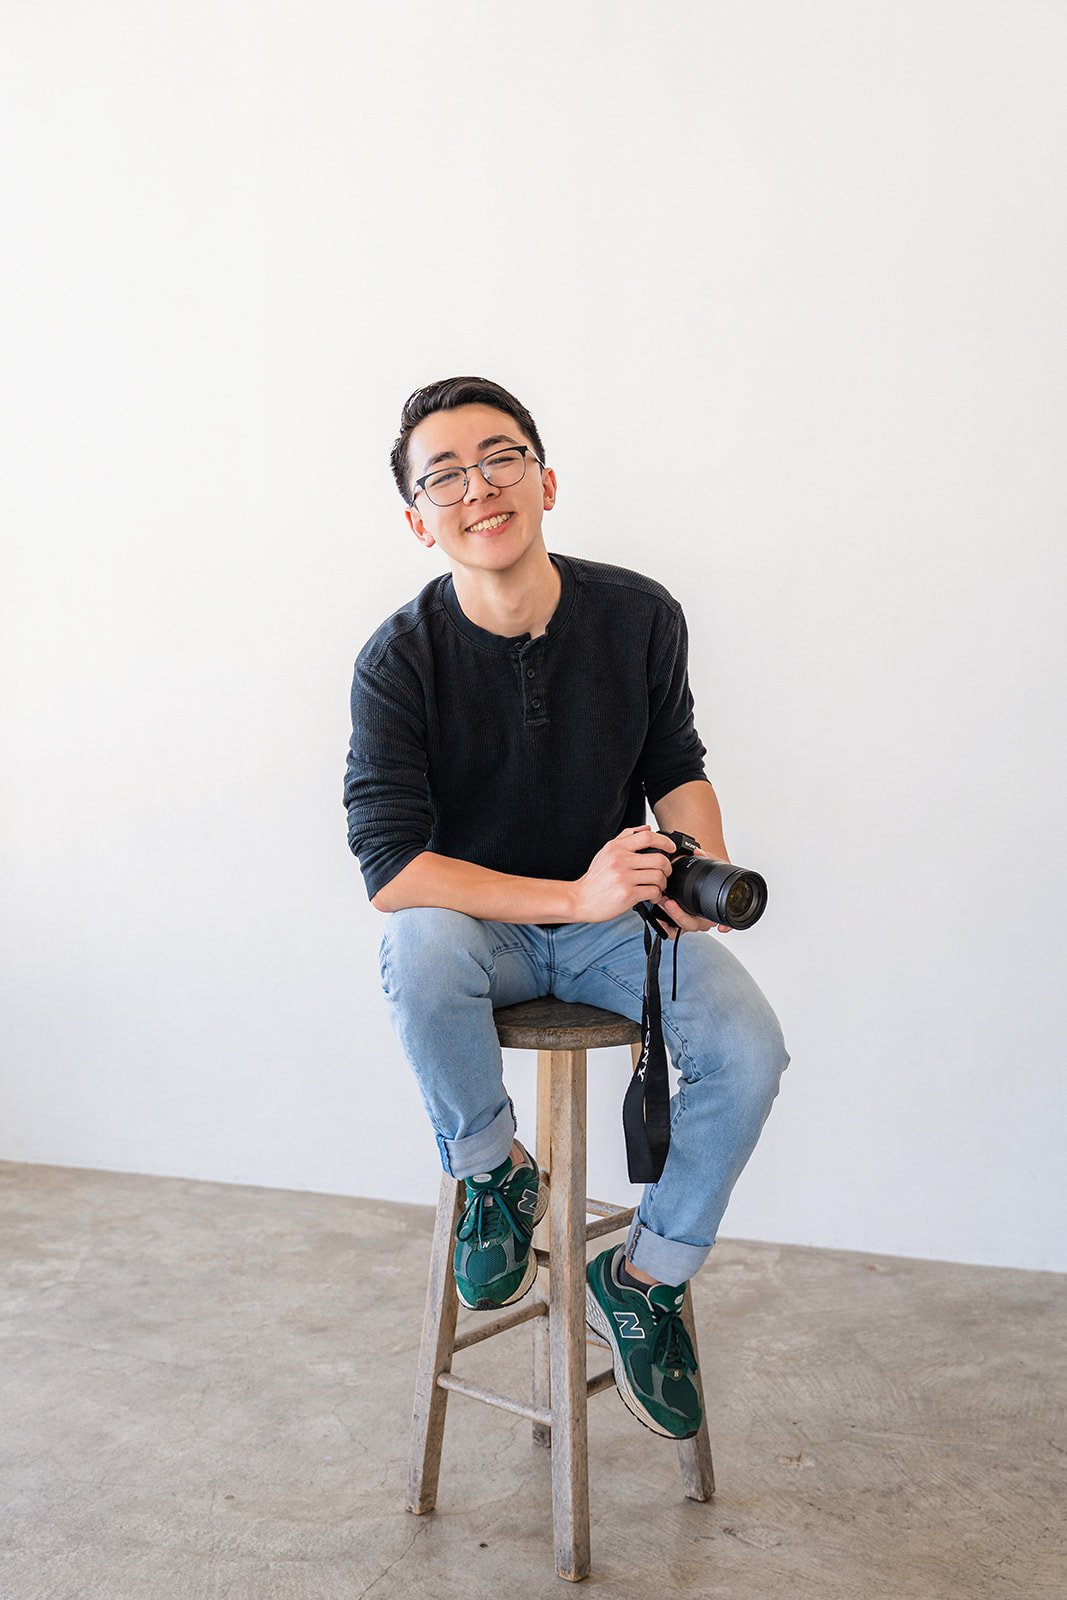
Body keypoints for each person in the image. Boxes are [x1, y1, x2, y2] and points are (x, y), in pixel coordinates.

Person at [343, 376, 789, 1441]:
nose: (477, 488)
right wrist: (574, 894)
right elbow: (392, 869)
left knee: (747, 1048)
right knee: (416, 943)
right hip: (481, 933)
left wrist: (698, 865)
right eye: (444, 476)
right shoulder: (397, 661)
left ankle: (644, 1276)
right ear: (418, 520)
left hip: (617, 931)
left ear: (544, 481)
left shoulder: (638, 616)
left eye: (499, 458)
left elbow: (675, 764)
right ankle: (492, 1173)